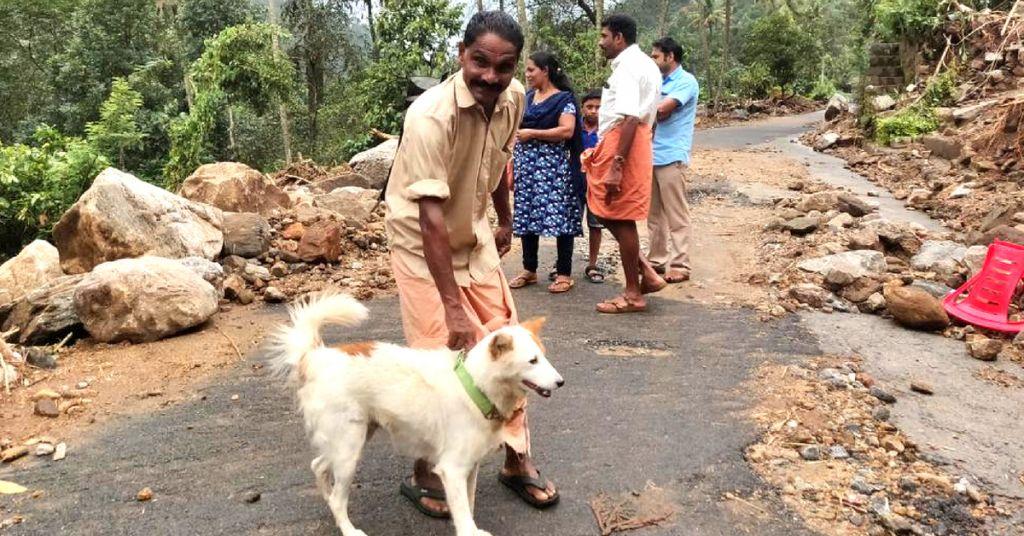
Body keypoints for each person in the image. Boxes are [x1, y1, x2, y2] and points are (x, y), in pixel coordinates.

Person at [383, 10, 559, 518]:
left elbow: (499, 164)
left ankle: (515, 458)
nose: (490, 75)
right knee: (438, 356)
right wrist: (452, 307)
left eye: (503, 66)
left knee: (510, 344)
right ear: (463, 56)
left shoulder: (515, 99)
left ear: (515, 68)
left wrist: (503, 219)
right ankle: (425, 469)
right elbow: (430, 219)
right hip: (421, 245)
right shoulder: (429, 117)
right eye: (480, 61)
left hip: (475, 237)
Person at [583, 14, 666, 314]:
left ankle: (633, 293)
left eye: (604, 36)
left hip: (624, 140)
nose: (601, 43)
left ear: (619, 38)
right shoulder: (644, 64)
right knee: (603, 208)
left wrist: (617, 163)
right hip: (629, 139)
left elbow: (631, 116)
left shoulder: (630, 67)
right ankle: (646, 271)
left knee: (619, 213)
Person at [509, 51, 583, 294]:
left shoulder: (564, 99)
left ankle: (564, 273)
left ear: (545, 71)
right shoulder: (529, 98)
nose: (527, 74)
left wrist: (533, 134)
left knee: (560, 216)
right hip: (526, 167)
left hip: (552, 168)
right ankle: (529, 270)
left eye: (531, 70)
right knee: (527, 215)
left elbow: (566, 131)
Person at [648, 37, 699, 283]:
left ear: (670, 57)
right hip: (651, 154)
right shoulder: (657, 81)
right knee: (654, 215)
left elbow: (661, 109)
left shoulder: (685, 81)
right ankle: (656, 260)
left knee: (676, 213)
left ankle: (680, 264)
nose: (653, 60)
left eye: (656, 56)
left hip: (672, 154)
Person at [580, 90, 606, 284]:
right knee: (569, 223)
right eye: (589, 107)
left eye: (598, 107)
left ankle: (593, 263)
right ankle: (561, 264)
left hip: (598, 184)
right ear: (582, 108)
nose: (594, 111)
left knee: (595, 225)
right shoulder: (573, 128)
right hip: (575, 182)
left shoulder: (607, 130)